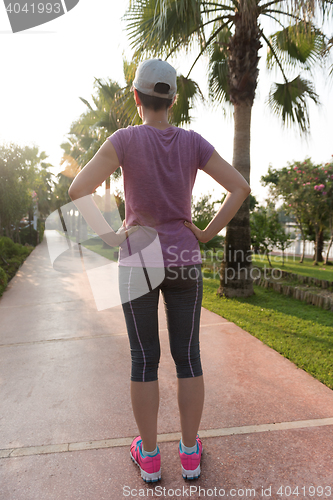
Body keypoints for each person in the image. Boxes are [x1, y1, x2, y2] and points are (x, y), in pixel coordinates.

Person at [68, 58, 251, 483]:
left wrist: (113, 236)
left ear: (137, 97)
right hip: (185, 258)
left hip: (137, 258)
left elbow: (78, 188)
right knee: (188, 357)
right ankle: (190, 454)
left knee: (143, 359)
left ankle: (149, 457)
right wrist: (204, 234)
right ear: (172, 98)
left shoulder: (124, 139)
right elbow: (239, 186)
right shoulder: (193, 142)